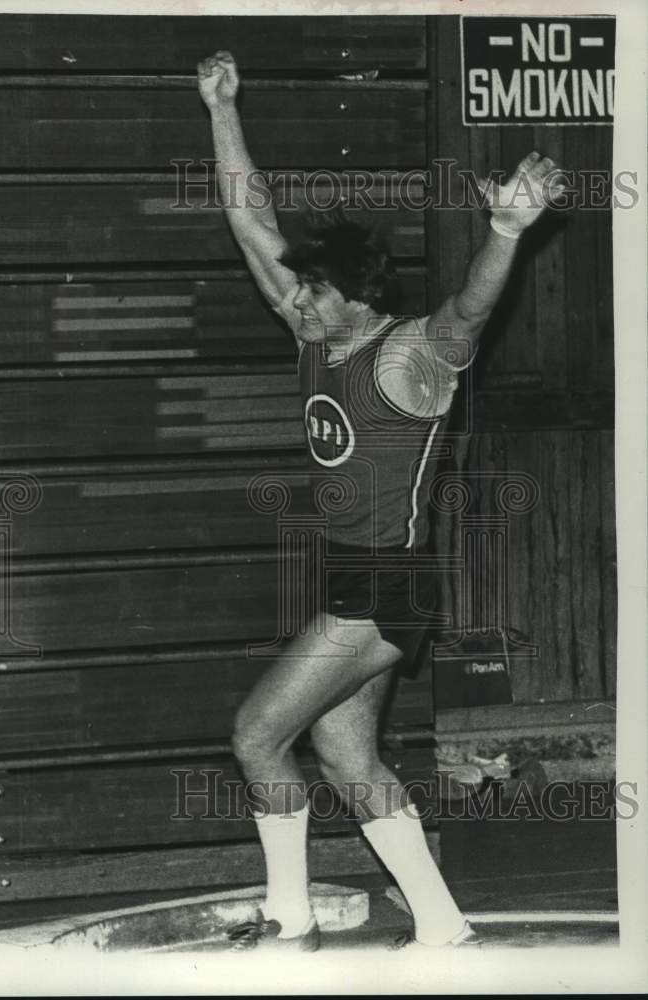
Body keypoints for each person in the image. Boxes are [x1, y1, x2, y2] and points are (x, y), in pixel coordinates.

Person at [196, 50, 564, 952]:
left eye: (310, 294)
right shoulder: (317, 331)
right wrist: (221, 109)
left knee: (254, 736)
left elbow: (468, 315)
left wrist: (507, 233)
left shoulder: (407, 357)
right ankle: (442, 925)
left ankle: (287, 920)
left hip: (388, 584)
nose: (293, 304)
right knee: (348, 757)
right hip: (355, 578)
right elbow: (253, 226)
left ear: (354, 298)